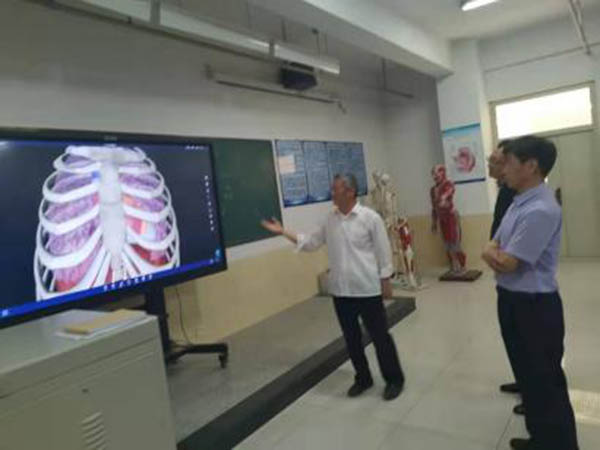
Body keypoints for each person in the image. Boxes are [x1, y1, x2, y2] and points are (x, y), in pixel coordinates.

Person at [261, 174, 405, 401]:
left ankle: (394, 380)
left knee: (380, 337)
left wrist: (385, 280)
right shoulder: (329, 219)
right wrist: (283, 231)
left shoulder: (370, 218)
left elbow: (383, 251)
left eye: (335, 189)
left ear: (350, 192)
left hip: (367, 290)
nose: (332, 193)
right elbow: (310, 242)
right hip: (341, 292)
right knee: (352, 340)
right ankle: (363, 378)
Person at [482, 136, 578, 450]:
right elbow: (494, 244)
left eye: (509, 162)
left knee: (545, 383)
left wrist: (492, 253)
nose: (503, 169)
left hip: (534, 307)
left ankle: (561, 445)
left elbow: (507, 262)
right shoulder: (518, 201)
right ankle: (541, 439)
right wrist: (493, 251)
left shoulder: (540, 209)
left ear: (531, 166)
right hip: (512, 300)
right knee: (529, 379)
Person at [488, 141, 523, 415]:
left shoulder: (517, 195)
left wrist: (494, 253)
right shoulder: (505, 191)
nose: (490, 165)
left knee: (525, 340)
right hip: (506, 278)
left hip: (520, 280)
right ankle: (523, 381)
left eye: (496, 160)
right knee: (512, 337)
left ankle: (533, 394)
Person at [430, 164, 467, 273]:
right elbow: (434, 207)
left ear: (443, 173)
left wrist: (443, 198)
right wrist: (434, 222)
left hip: (451, 217)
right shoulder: (432, 190)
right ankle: (453, 265)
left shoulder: (448, 184)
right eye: (433, 173)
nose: (435, 176)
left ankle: (462, 266)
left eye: (437, 172)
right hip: (442, 219)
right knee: (447, 244)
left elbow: (449, 191)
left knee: (455, 242)